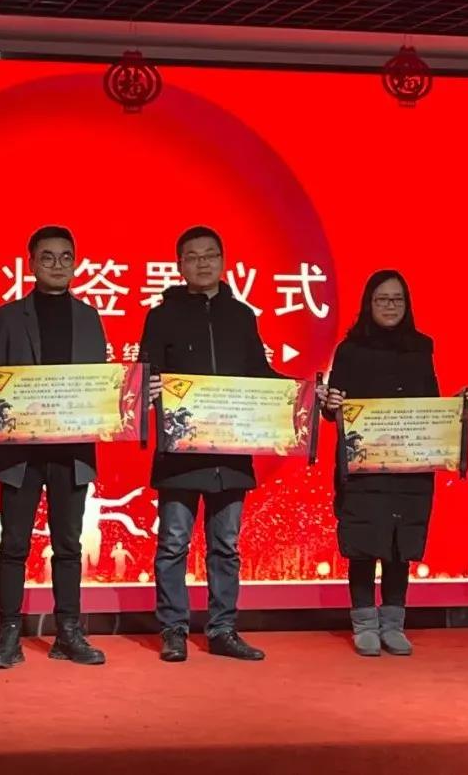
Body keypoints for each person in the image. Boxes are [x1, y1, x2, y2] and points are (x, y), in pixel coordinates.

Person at [140, 225, 274, 663]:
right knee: (173, 543)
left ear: (223, 260)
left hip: (231, 453)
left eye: (210, 255)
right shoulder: (161, 317)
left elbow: (261, 376)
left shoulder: (242, 316)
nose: (203, 263)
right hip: (180, 454)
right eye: (193, 256)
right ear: (179, 266)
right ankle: (174, 630)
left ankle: (222, 630)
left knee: (226, 546)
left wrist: (305, 394)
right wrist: (148, 387)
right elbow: (144, 375)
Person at [0, 225, 108, 669]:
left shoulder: (90, 317)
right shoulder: (7, 316)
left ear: (75, 263)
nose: (57, 264)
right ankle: (9, 634)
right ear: (31, 262)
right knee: (13, 543)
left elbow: (100, 385)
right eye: (48, 257)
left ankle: (68, 632)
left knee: (69, 544)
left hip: (72, 450)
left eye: (65, 257)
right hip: (20, 452)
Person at [320, 270, 440, 656]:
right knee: (363, 541)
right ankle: (364, 623)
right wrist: (330, 403)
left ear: (407, 305)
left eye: (397, 299)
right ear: (368, 304)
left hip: (409, 463)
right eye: (382, 299)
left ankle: (393, 623)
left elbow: (432, 403)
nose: (390, 306)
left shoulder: (421, 347)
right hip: (363, 465)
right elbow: (331, 410)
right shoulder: (350, 349)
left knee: (400, 543)